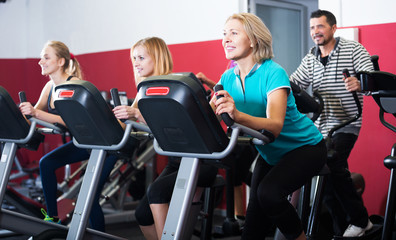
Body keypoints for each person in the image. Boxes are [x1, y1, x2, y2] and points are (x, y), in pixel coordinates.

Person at [211, 13, 327, 240]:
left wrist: (237, 114)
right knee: (253, 227)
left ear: (253, 39)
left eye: (234, 33)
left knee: (269, 194)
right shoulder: (226, 77)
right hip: (270, 154)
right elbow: (208, 115)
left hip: (306, 148)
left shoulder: (273, 72)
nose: (226, 39)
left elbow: (274, 126)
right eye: (224, 34)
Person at [112, 37, 218, 240]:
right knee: (141, 214)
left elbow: (171, 125)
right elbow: (135, 124)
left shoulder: (174, 87)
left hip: (202, 161)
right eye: (134, 58)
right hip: (176, 161)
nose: (136, 63)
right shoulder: (143, 90)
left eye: (141, 57)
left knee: (156, 192)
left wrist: (136, 115)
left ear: (157, 58)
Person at [19, 40, 120, 232]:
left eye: (46, 57)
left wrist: (35, 113)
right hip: (85, 143)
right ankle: (52, 218)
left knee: (88, 197)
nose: (41, 61)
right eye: (41, 57)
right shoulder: (49, 88)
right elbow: (31, 115)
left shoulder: (74, 86)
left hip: (106, 145)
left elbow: (70, 121)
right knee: (46, 164)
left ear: (61, 62)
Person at [290, 9, 373, 237]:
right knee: (321, 172)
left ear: (333, 28)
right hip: (320, 127)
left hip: (347, 122)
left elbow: (370, 76)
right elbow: (295, 82)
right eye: (312, 28)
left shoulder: (353, 49)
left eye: (320, 26)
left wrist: (360, 83)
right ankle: (340, 228)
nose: (315, 31)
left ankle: (360, 220)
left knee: (333, 163)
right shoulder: (310, 58)